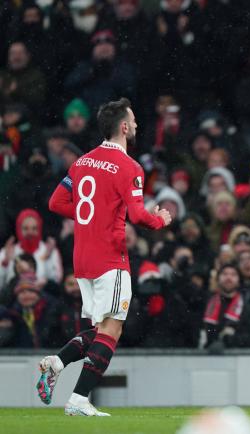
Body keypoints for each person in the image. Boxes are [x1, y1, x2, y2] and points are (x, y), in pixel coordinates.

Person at [36, 98, 172, 416]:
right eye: (134, 121)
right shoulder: (129, 167)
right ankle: (79, 399)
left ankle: (56, 363)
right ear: (123, 127)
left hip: (82, 260)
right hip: (111, 258)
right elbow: (139, 216)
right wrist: (161, 220)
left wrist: (91, 217)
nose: (137, 126)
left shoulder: (82, 162)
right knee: (112, 330)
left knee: (96, 331)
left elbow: (56, 202)